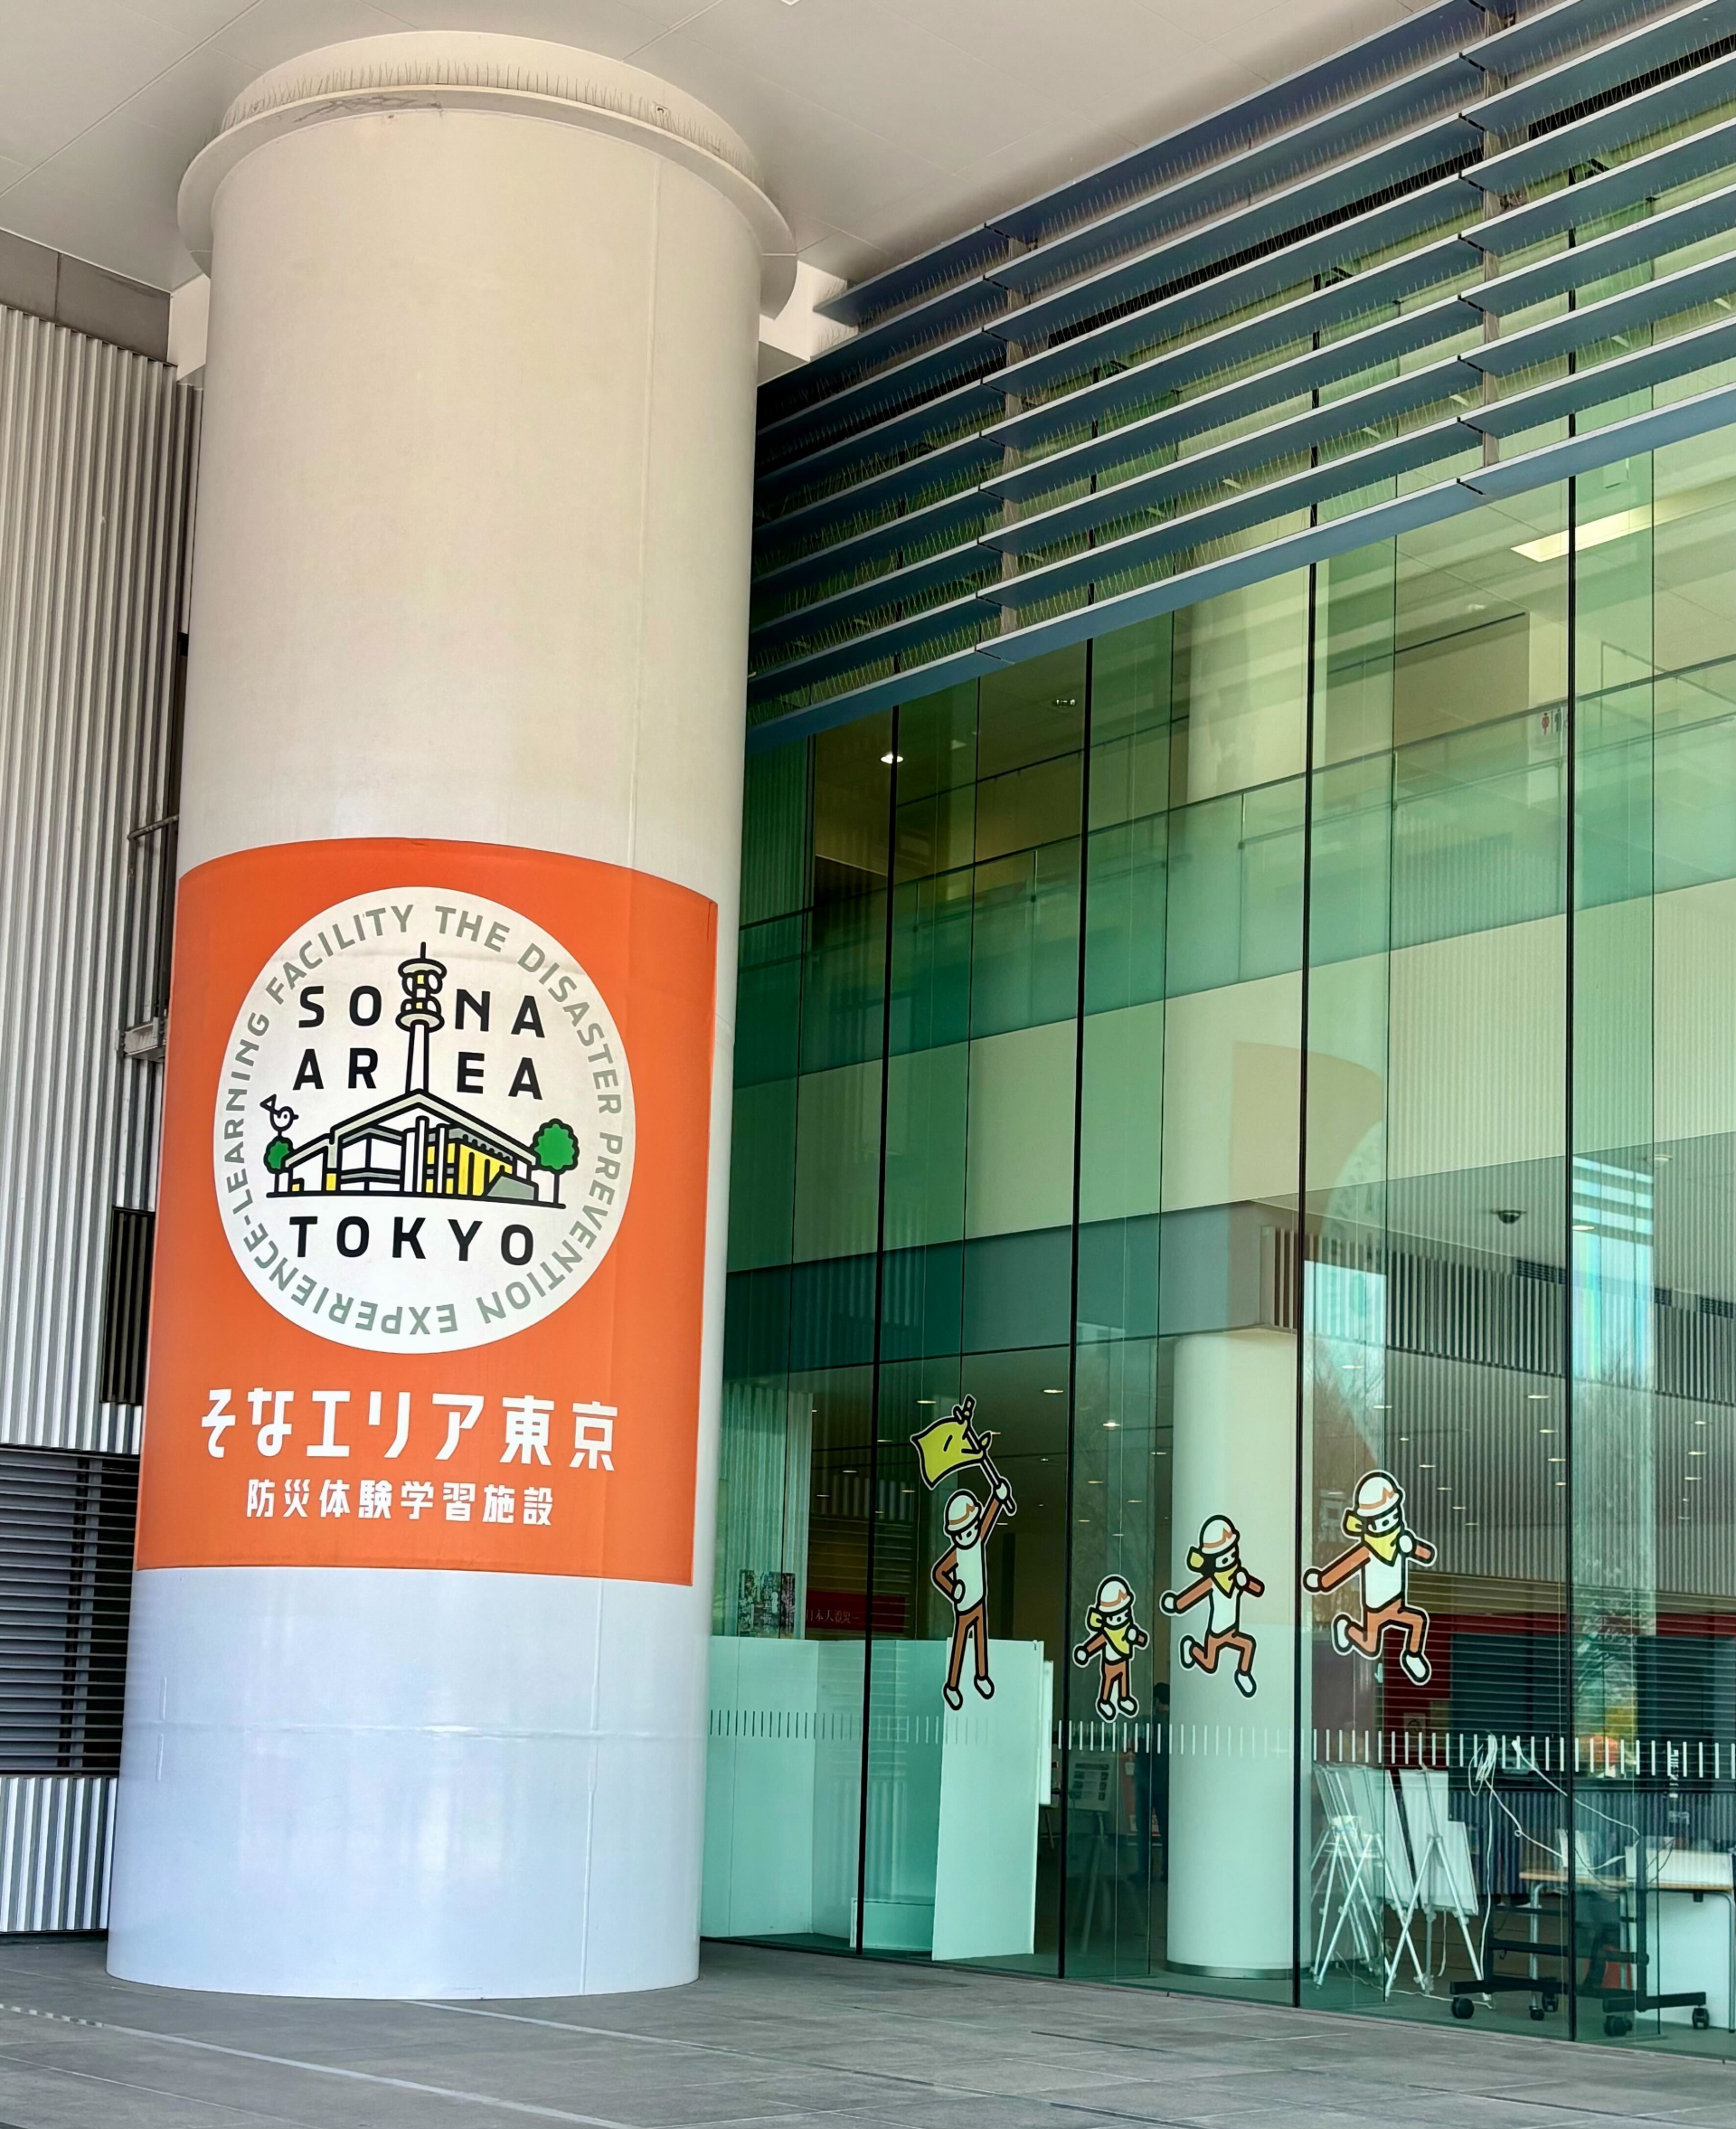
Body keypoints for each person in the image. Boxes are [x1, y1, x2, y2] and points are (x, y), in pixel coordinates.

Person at [1303, 1469, 1435, 1685]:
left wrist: (1412, 1546)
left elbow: (1426, 1555)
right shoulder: (1366, 1550)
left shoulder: (1400, 1542)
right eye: (1384, 1520)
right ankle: (1346, 1628)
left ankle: (1412, 1656)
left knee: (1417, 1621)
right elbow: (1343, 1568)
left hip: (1396, 1603)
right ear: (1369, 1523)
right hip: (1374, 1609)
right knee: (1371, 1645)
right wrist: (1321, 1581)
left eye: (1394, 1515)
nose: (1391, 1523)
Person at [1161, 1513, 1262, 1698]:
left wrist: (1247, 1581)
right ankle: (1192, 1648)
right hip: (1215, 1634)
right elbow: (1193, 1595)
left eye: (1232, 1554)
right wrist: (1176, 1604)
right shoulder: (1212, 1582)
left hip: (1232, 1631)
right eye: (1224, 1557)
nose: (1230, 1560)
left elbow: (1257, 1589)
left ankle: (1243, 1673)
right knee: (1209, 1663)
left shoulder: (1237, 1578)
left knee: (1247, 1645)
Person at [931, 1478, 1012, 1710]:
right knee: (959, 1645)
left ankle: (982, 1676)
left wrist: (998, 1497)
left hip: (979, 1602)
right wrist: (953, 1589)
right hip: (964, 1606)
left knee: (980, 1641)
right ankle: (952, 1685)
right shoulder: (957, 1553)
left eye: (971, 1529)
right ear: (954, 1535)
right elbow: (939, 1573)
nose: (968, 1535)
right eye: (962, 1532)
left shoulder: (978, 1540)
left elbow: (988, 1518)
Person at [1072, 1575, 1148, 1719]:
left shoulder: (1128, 1629)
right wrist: (1086, 1651)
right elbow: (1096, 1642)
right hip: (1110, 1663)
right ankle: (1104, 1701)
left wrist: (1136, 1637)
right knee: (1108, 1681)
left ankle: (1124, 1698)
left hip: (1124, 1660)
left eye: (1125, 1613)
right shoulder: (1107, 1633)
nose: (1121, 1618)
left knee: (1124, 1680)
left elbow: (1142, 1640)